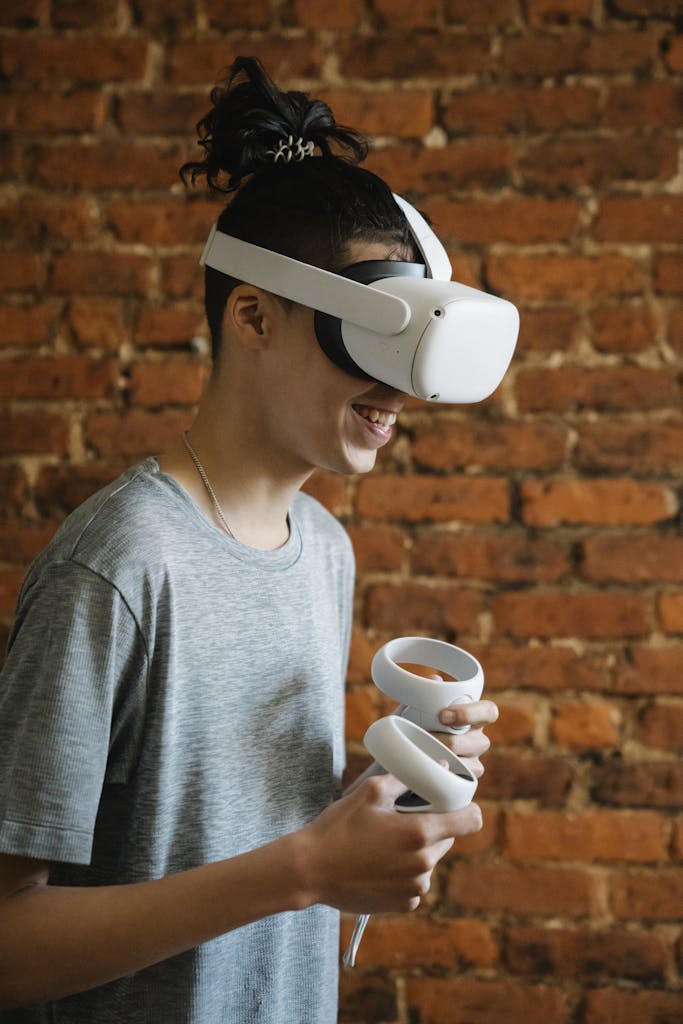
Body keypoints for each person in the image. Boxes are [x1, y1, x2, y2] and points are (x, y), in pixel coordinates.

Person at [0, 57, 498, 1023]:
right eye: (370, 344)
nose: (399, 393)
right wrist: (307, 870)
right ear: (254, 315)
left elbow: (244, 842)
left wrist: (386, 794)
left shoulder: (322, 547)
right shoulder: (120, 565)